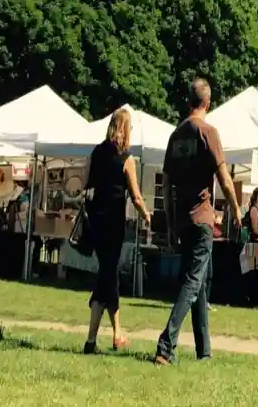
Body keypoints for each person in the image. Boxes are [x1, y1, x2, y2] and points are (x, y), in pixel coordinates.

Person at [155, 78, 242, 366]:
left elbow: (165, 186)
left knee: (199, 282)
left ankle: (204, 351)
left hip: (181, 219)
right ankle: (166, 346)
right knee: (192, 282)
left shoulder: (175, 135)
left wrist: (169, 223)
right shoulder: (209, 132)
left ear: (189, 101)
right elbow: (224, 177)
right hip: (202, 218)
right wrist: (235, 207)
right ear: (208, 103)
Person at [83, 107, 150, 354]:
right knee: (107, 278)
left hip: (96, 223)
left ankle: (115, 334)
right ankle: (93, 340)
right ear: (125, 129)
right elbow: (135, 196)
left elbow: (83, 181)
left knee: (108, 275)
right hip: (113, 224)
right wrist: (146, 214)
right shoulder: (126, 159)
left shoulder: (96, 153)